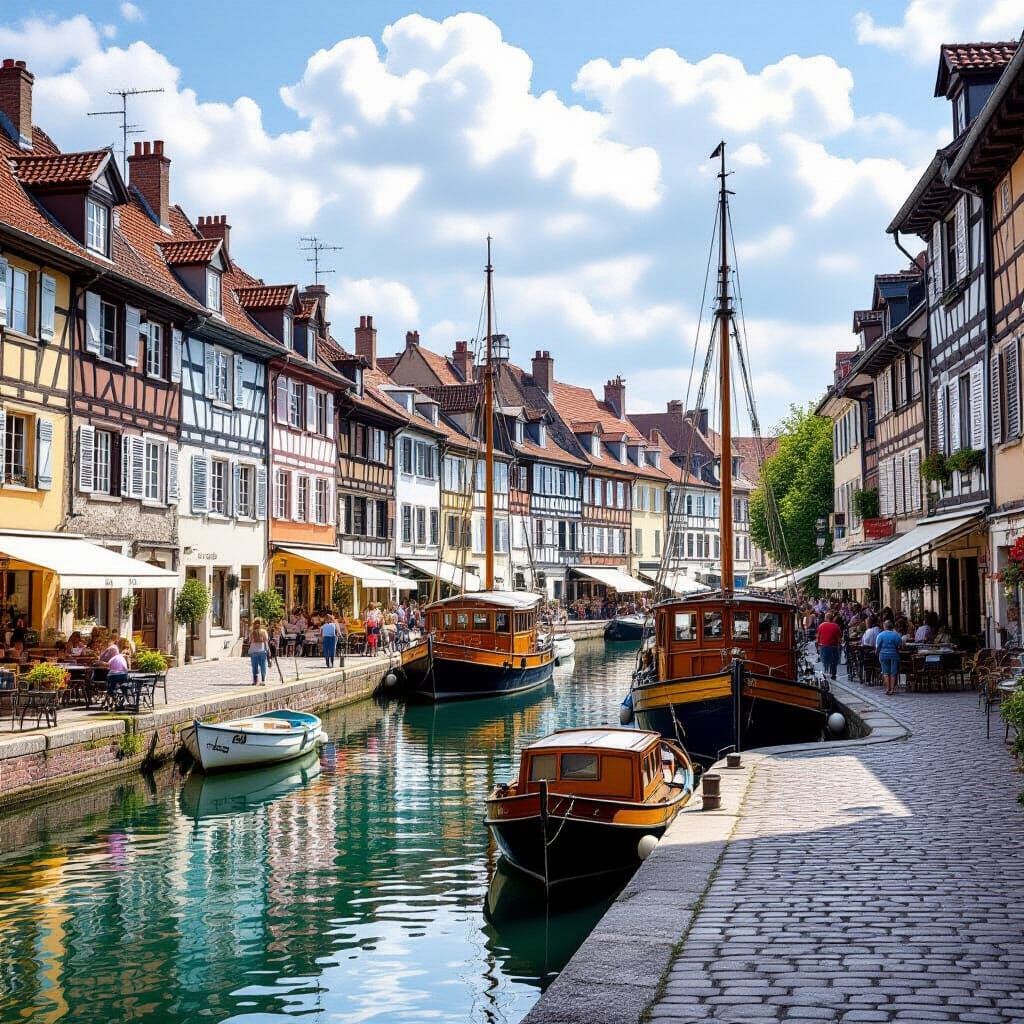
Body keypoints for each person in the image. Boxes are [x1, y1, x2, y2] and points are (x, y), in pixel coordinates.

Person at [875, 619, 903, 695]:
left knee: (885, 672)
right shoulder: (896, 635)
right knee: (893, 672)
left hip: (883, 655)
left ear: (884, 626)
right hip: (894, 655)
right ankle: (892, 689)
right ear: (892, 626)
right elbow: (900, 646)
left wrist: (877, 653)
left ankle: (887, 689)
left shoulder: (880, 635)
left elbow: (878, 647)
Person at [816, 611, 843, 681]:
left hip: (824, 646)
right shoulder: (836, 626)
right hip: (834, 646)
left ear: (826, 618)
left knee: (825, 661)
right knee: (834, 661)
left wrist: (818, 646)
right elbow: (839, 637)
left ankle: (826, 672)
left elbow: (818, 637)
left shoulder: (821, 625)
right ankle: (833, 674)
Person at [105, 640, 131, 708]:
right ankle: (124, 698)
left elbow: (108, 667)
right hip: (122, 675)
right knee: (124, 685)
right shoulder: (122, 657)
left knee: (111, 687)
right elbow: (125, 668)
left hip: (112, 676)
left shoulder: (112, 659)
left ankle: (114, 697)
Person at [249, 618, 270, 686]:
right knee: (263, 666)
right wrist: (268, 651)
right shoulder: (264, 631)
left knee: (254, 666)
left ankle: (255, 681)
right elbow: (266, 642)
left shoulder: (251, 632)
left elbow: (250, 641)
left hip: (253, 651)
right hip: (262, 651)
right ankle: (263, 680)